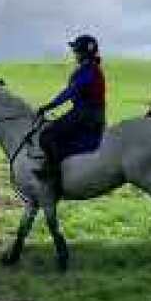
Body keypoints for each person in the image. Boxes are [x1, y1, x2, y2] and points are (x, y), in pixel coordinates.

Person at [36, 34, 107, 189]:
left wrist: (48, 106)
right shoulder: (91, 69)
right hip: (89, 113)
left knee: (47, 135)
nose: (75, 54)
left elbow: (70, 92)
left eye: (76, 51)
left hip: (85, 115)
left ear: (83, 53)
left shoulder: (88, 71)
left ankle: (53, 176)